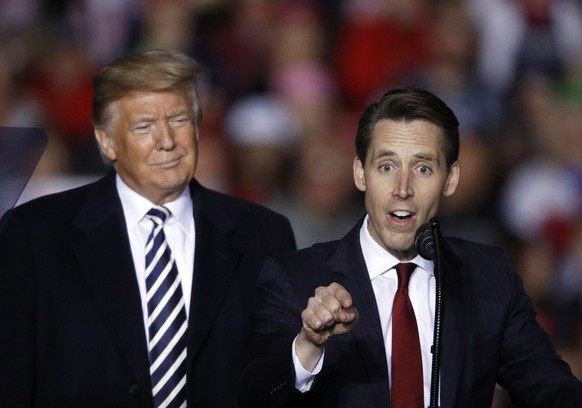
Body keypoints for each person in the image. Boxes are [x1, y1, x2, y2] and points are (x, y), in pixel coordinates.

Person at [237, 88, 582, 408]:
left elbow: (548, 386)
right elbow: (254, 396)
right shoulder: (294, 277)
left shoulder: (489, 275)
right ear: (360, 173)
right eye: (386, 167)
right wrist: (308, 346)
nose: (403, 188)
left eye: (423, 168)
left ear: (450, 179)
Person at [0, 49, 296, 408]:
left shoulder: (263, 235)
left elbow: (279, 377)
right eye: (144, 126)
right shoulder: (35, 234)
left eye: (179, 119)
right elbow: (11, 379)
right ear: (106, 141)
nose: (167, 140)